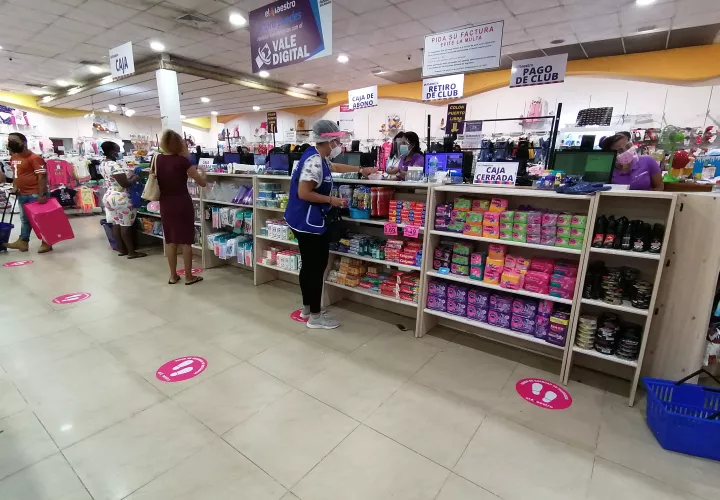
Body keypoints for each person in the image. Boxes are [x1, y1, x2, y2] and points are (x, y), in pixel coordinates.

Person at [285, 120, 377, 329]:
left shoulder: (316, 156)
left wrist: (360, 169)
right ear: (328, 141)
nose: (339, 145)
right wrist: (331, 200)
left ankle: (308, 308)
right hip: (308, 223)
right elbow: (304, 193)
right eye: (336, 141)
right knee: (316, 268)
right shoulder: (314, 161)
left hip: (301, 220)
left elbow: (334, 167)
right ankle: (315, 317)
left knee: (309, 266)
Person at [156, 129, 207, 285]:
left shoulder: (157, 159)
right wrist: (203, 172)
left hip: (165, 203)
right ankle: (189, 276)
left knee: (171, 240)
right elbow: (201, 183)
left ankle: (173, 276)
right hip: (182, 203)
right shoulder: (183, 161)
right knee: (186, 241)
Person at [5, 132, 52, 253]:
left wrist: (42, 194)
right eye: (9, 140)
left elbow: (42, 177)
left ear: (24, 143)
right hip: (22, 194)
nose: (11, 143)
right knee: (25, 220)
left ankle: (47, 242)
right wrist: (15, 186)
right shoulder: (14, 157)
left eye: (14, 140)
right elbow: (16, 174)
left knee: (41, 219)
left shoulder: (34, 158)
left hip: (35, 193)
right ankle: (23, 241)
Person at [99, 141, 146, 259]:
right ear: (111, 151)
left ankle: (122, 250)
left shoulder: (102, 164)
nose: (119, 153)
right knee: (126, 225)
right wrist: (135, 177)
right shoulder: (114, 165)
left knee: (116, 224)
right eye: (117, 150)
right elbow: (125, 184)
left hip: (109, 196)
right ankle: (132, 252)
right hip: (120, 197)